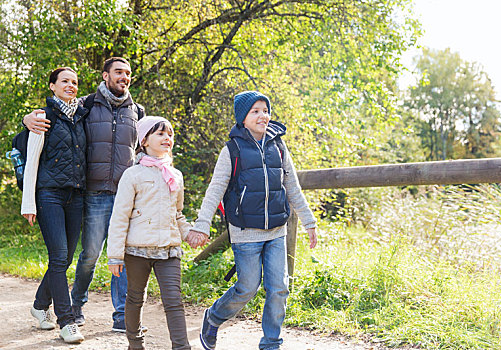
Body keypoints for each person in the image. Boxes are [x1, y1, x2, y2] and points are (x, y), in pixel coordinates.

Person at [187, 91, 318, 350]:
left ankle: (271, 343)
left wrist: (309, 221)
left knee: (279, 287)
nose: (262, 116)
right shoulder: (232, 149)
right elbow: (215, 189)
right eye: (255, 111)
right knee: (247, 287)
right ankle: (213, 317)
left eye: (265, 110)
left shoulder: (278, 146)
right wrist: (201, 224)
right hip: (245, 231)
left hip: (277, 229)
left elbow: (292, 186)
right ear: (242, 118)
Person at [23, 57, 144, 332]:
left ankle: (120, 317)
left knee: (114, 256)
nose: (123, 77)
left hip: (115, 195)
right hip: (85, 194)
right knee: (86, 255)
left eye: (127, 73)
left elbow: (146, 147)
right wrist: (28, 117)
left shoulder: (135, 111)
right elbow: (36, 148)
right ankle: (72, 310)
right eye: (118, 72)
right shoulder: (87, 106)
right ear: (105, 76)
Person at [107, 116, 208, 350]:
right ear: (144, 140)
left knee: (173, 301)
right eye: (160, 134)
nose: (167, 138)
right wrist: (115, 255)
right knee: (134, 297)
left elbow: (178, 214)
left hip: (169, 250)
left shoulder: (175, 175)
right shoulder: (132, 175)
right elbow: (120, 217)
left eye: (170, 134)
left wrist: (189, 234)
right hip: (137, 250)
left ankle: (182, 347)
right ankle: (135, 344)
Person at [21, 67, 88, 343]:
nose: (70, 86)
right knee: (59, 257)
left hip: (77, 196)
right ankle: (66, 321)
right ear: (52, 86)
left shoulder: (82, 115)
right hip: (49, 195)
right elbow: (32, 161)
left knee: (67, 257)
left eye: (74, 82)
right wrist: (29, 203)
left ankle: (39, 305)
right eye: (64, 81)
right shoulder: (42, 118)